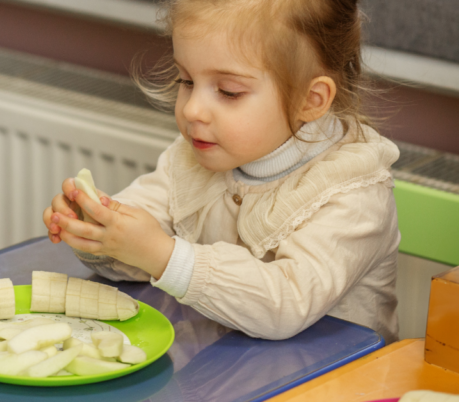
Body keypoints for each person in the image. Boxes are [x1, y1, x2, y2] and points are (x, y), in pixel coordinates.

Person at [44, 0, 399, 342]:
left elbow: (286, 303)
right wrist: (99, 232)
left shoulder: (354, 194)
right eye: (186, 81)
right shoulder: (192, 158)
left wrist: (163, 255)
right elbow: (140, 252)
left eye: (228, 92)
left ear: (310, 100)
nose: (193, 109)